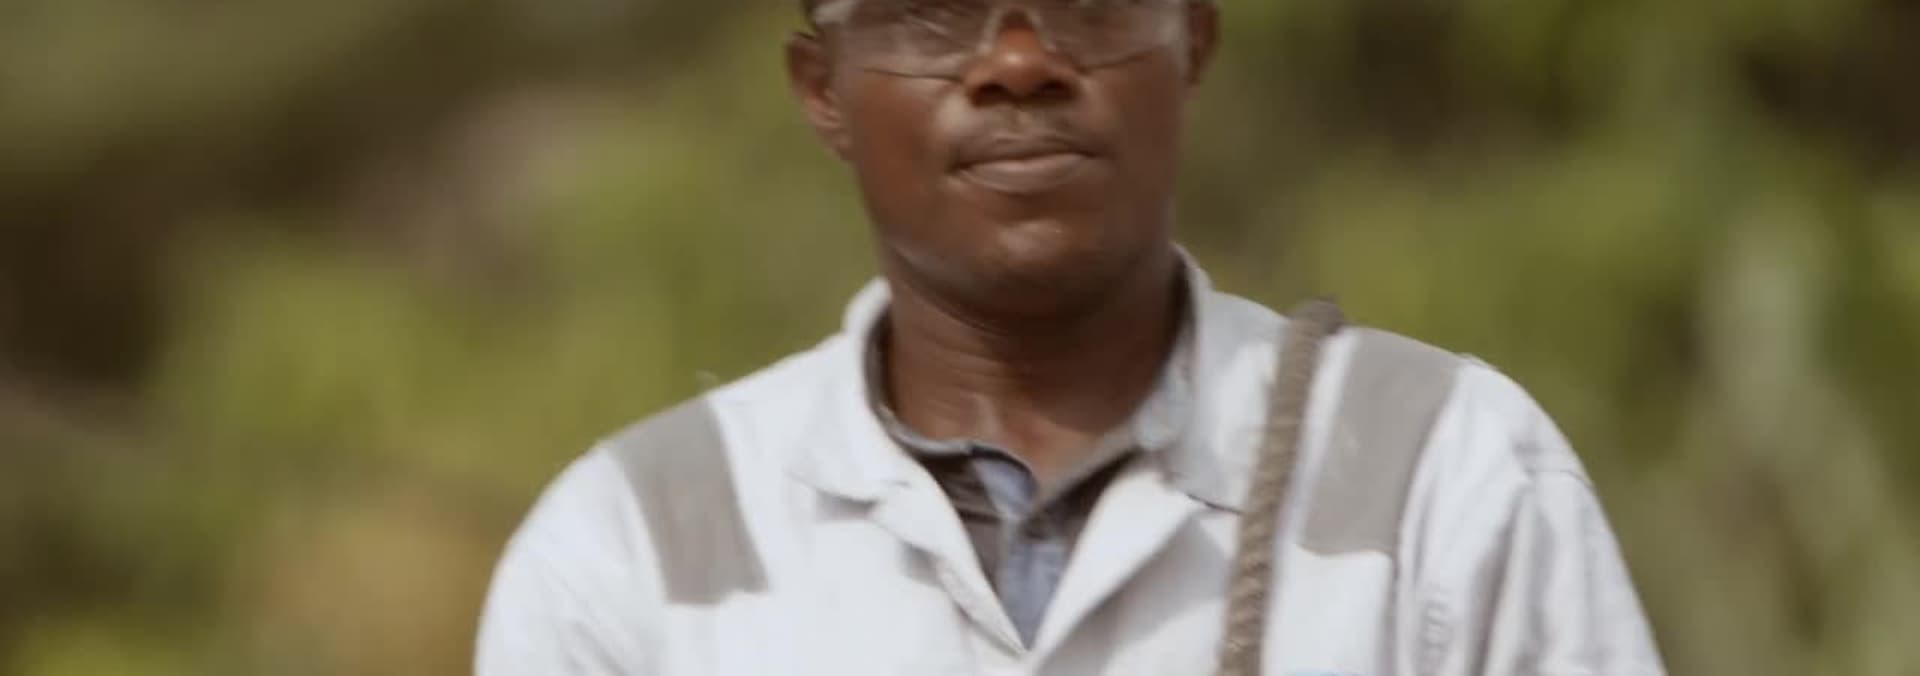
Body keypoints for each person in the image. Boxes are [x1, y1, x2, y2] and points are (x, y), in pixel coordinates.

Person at [475, 0, 1666, 673]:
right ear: (823, 88)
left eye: (1087, 2)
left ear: (1194, 41)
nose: (1018, 62)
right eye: (932, 12)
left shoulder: (1442, 472)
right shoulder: (632, 544)